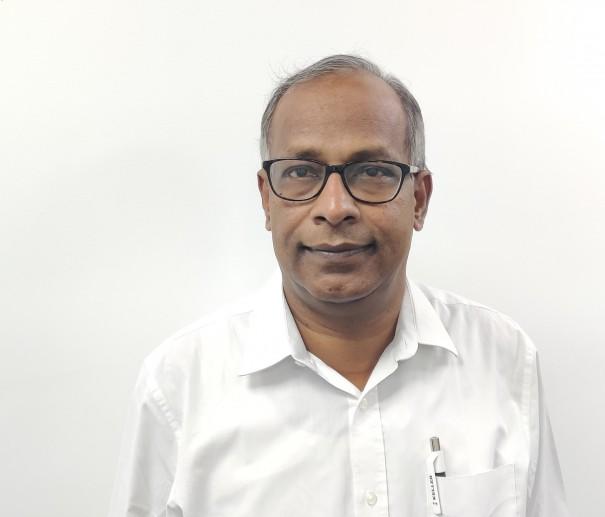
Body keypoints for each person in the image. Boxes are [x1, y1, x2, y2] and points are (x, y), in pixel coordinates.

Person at [108, 54, 569, 517]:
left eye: (371, 171)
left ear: (419, 200)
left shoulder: (504, 359)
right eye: (302, 172)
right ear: (267, 200)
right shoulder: (179, 385)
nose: (335, 207)